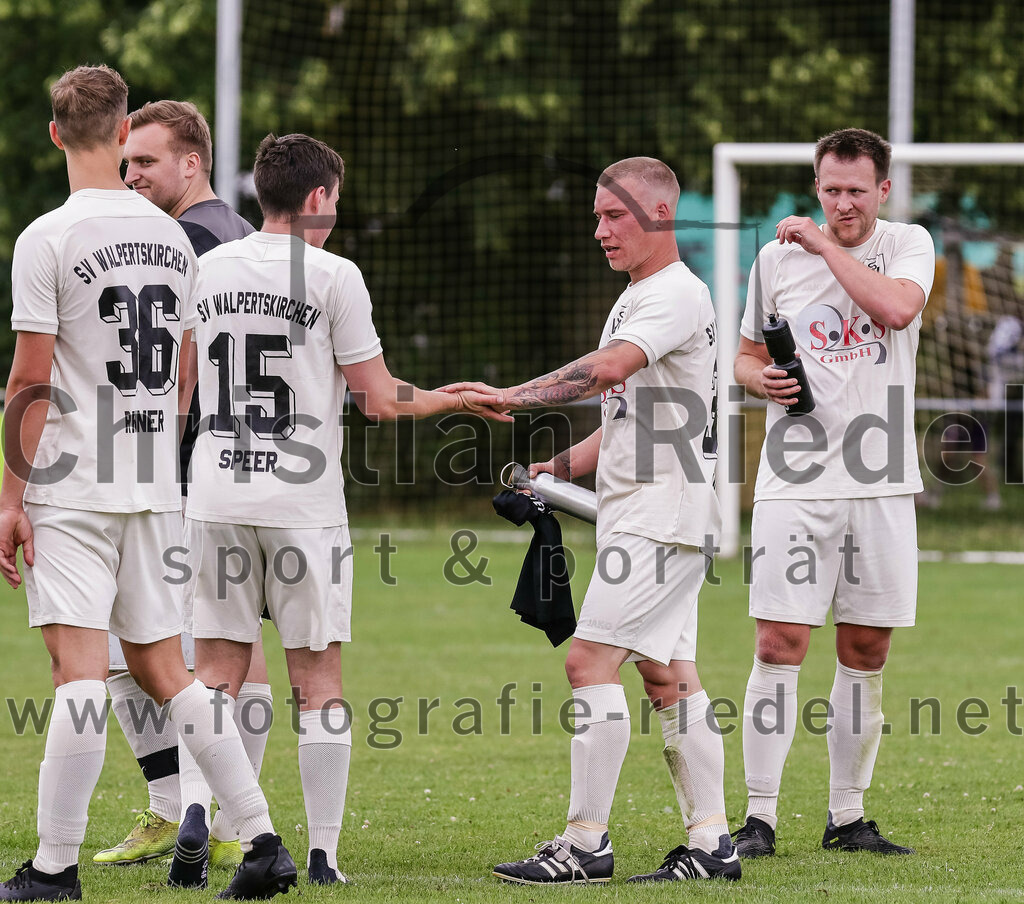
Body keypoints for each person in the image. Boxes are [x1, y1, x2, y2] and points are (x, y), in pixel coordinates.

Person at [177, 132, 508, 886]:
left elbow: (185, 387)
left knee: (216, 673)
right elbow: (379, 398)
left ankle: (200, 808)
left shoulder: (207, 267)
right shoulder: (333, 274)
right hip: (300, 503)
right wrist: (457, 396)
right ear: (320, 197)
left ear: (264, 193)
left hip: (216, 490)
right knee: (315, 681)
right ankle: (323, 853)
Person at [0, 64, 296, 901]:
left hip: (71, 484)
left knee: (80, 677)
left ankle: (54, 867)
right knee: (168, 669)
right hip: (152, 481)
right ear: (124, 132)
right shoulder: (173, 237)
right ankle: (265, 839)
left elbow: (29, 382)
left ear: (56, 134)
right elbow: (185, 376)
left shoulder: (46, 237)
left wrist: (11, 498)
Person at [442, 157, 738, 884]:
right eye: (598, 216)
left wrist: (511, 396)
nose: (599, 230)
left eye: (616, 216)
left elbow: (605, 373)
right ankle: (712, 842)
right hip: (655, 511)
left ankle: (584, 844)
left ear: (661, 216)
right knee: (668, 677)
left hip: (661, 515)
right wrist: (557, 469)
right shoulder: (639, 296)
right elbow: (627, 415)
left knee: (588, 662)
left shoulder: (673, 294)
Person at [732, 128, 935, 859]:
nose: (842, 202)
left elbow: (897, 311)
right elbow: (746, 356)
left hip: (881, 481)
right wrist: (763, 380)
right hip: (796, 478)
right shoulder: (772, 260)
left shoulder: (909, 243)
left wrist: (823, 246)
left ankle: (847, 818)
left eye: (856, 189)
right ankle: (758, 819)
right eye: (830, 188)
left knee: (866, 645)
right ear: (815, 185)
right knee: (779, 641)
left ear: (883, 189)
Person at [93, 99, 268, 872]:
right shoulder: (236, 233)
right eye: (125, 163)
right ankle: (221, 813)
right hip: (234, 477)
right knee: (220, 650)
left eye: (145, 164)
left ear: (191, 163)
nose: (130, 177)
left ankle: (190, 809)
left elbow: (179, 375)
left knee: (126, 647)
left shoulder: (182, 243)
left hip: (177, 479)